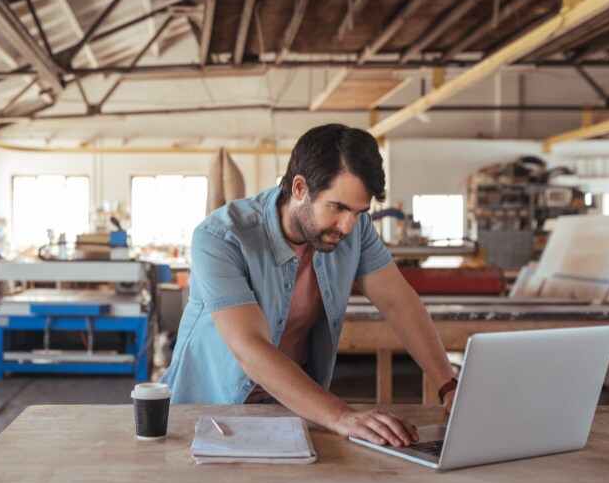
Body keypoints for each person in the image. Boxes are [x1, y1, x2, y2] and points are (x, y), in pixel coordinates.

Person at [160, 123, 457, 448]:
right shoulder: (221, 237)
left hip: (290, 409)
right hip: (207, 411)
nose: (347, 226)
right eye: (338, 207)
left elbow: (399, 302)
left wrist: (448, 387)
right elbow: (250, 349)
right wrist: (341, 416)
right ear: (300, 188)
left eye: (359, 212)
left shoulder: (355, 230)